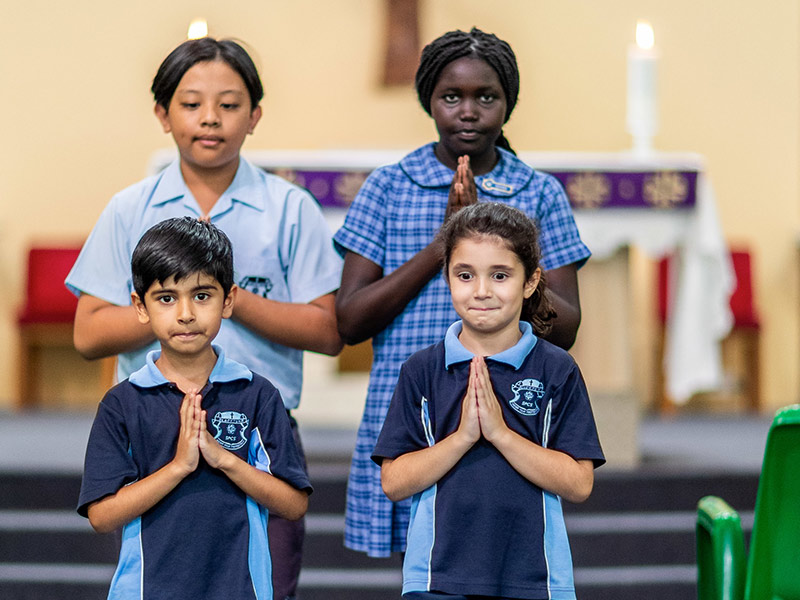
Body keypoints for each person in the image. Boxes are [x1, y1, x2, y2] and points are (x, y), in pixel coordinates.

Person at [65, 37, 343, 599]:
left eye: (230, 104)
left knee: (264, 581)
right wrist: (175, 303)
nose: (210, 118)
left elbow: (328, 330)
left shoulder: (289, 209)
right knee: (163, 576)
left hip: (259, 425)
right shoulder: (130, 208)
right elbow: (89, 331)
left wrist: (227, 293)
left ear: (255, 115)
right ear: (162, 115)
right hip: (152, 424)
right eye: (190, 103)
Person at [333, 27, 591, 558]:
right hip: (412, 407)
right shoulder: (389, 185)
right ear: (429, 99)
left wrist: (512, 276)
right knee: (422, 568)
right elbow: (351, 320)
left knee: (500, 552)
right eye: (452, 97)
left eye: (485, 97)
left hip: (509, 413)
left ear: (508, 103)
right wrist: (444, 243)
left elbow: (565, 327)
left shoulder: (538, 193)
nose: (468, 111)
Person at [374, 202, 604, 599]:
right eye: (465, 275)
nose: (481, 291)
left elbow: (579, 483)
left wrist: (500, 434)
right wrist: (463, 437)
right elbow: (394, 482)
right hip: (436, 577)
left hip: (534, 578)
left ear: (530, 282)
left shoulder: (557, 369)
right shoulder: (422, 370)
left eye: (500, 275)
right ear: (447, 278)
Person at [78, 217, 312, 600]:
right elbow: (102, 516)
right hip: (145, 591)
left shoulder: (257, 394)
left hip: (240, 590)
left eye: (202, 295)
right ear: (140, 306)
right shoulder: (122, 402)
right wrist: (178, 468)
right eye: (166, 298)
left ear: (229, 300)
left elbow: (293, 503)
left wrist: (225, 460)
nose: (186, 313)